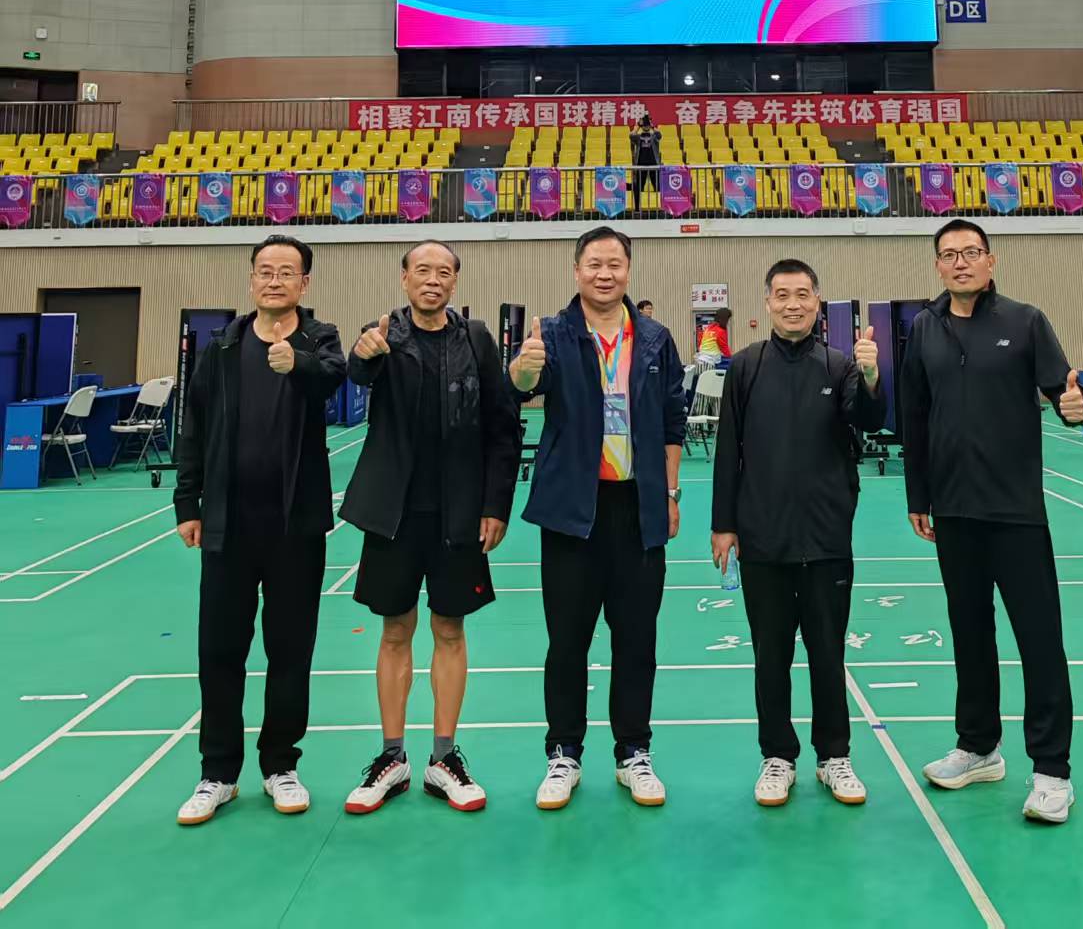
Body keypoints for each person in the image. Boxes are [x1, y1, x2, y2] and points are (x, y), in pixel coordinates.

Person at [898, 219, 1083, 826]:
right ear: (938, 265)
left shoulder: (1025, 322)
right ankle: (979, 747)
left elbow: (1066, 395)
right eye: (948, 254)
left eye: (971, 252)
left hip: (1015, 512)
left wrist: (1077, 407)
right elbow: (914, 416)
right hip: (953, 512)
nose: (960, 262)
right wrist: (918, 494)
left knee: (1039, 640)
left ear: (991, 260)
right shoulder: (924, 328)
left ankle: (1052, 771)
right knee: (970, 633)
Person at [509, 225, 687, 811]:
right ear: (577, 270)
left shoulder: (655, 338)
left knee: (637, 639)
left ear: (627, 270)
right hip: (572, 511)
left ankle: (634, 751)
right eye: (594, 263)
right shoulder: (554, 334)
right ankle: (563, 753)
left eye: (614, 263)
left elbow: (672, 422)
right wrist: (525, 367)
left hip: (638, 508)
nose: (604, 273)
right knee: (568, 641)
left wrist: (670, 494)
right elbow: (524, 389)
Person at [339, 240, 521, 816]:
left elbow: (503, 425)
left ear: (454, 283)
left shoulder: (477, 341)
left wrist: (495, 504)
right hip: (393, 512)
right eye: (423, 270)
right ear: (404, 278)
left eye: (444, 272)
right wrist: (365, 353)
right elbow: (358, 371)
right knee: (395, 630)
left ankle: (445, 758)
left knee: (450, 630)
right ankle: (392, 758)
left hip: (458, 512)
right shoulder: (383, 335)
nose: (433, 280)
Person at [173, 234, 346, 826]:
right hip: (227, 524)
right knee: (220, 650)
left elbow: (332, 378)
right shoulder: (222, 346)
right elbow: (194, 425)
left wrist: (295, 362)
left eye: (286, 272)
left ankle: (280, 766)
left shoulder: (319, 340)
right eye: (265, 271)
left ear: (304, 283)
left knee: (290, 650)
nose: (275, 280)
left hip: (296, 526)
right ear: (252, 280)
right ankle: (218, 772)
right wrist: (187, 501)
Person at [711, 260, 884, 808]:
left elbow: (869, 420)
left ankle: (834, 756)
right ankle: (777, 757)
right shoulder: (746, 366)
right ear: (768, 302)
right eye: (782, 295)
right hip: (762, 538)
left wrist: (871, 375)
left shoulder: (839, 365)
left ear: (817, 302)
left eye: (803, 294)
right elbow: (728, 451)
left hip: (826, 538)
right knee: (771, 655)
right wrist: (724, 525)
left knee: (828, 654)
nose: (793, 304)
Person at [629, 112, 661, 209]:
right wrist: (638, 125)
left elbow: (659, 134)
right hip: (640, 166)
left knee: (658, 187)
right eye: (645, 125)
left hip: (654, 166)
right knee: (638, 187)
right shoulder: (638, 137)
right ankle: (637, 208)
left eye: (647, 125)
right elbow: (631, 135)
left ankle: (660, 207)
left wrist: (652, 126)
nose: (646, 126)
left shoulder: (654, 137)